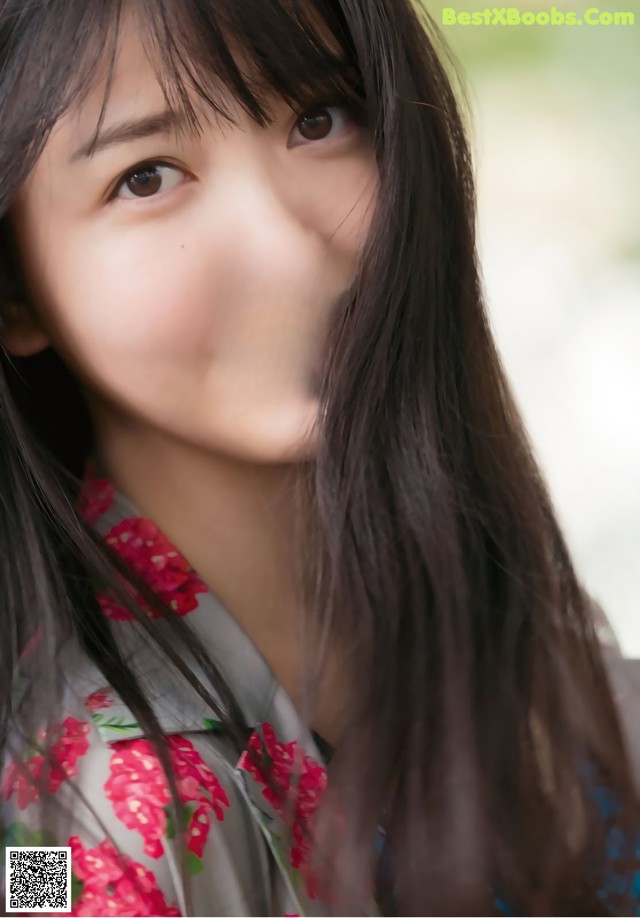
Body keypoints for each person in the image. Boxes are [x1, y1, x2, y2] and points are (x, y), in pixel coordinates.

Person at [0, 0, 638, 915]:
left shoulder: (536, 651)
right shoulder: (61, 842)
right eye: (145, 177)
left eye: (318, 119)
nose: (290, 246)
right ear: (13, 291)